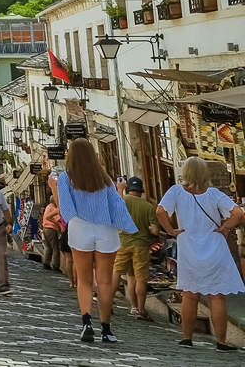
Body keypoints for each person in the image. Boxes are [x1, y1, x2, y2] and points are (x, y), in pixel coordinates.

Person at [51, 137, 138, 344]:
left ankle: (86, 323)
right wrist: (127, 226)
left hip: (80, 228)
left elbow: (66, 209)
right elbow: (116, 205)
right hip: (105, 229)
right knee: (105, 281)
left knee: (84, 280)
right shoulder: (104, 179)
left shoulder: (66, 178)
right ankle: (106, 329)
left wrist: (69, 218)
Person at [156, 156, 245, 351]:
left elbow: (160, 211)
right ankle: (221, 342)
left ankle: (187, 338)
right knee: (217, 296)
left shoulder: (176, 192)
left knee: (190, 294)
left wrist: (170, 230)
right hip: (214, 249)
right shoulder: (214, 194)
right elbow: (238, 214)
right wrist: (226, 228)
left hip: (189, 248)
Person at [114, 176, 159, 320]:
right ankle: (140, 309)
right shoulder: (148, 206)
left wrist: (119, 190)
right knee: (140, 278)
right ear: (141, 191)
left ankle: (107, 302)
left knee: (118, 273)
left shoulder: (123, 201)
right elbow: (154, 231)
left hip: (123, 243)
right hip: (140, 246)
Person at [41, 197, 62, 272]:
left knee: (48, 247)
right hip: (51, 229)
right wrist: (60, 225)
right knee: (55, 247)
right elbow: (57, 219)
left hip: (45, 228)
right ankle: (56, 265)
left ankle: (46, 263)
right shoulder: (53, 208)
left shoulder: (48, 206)